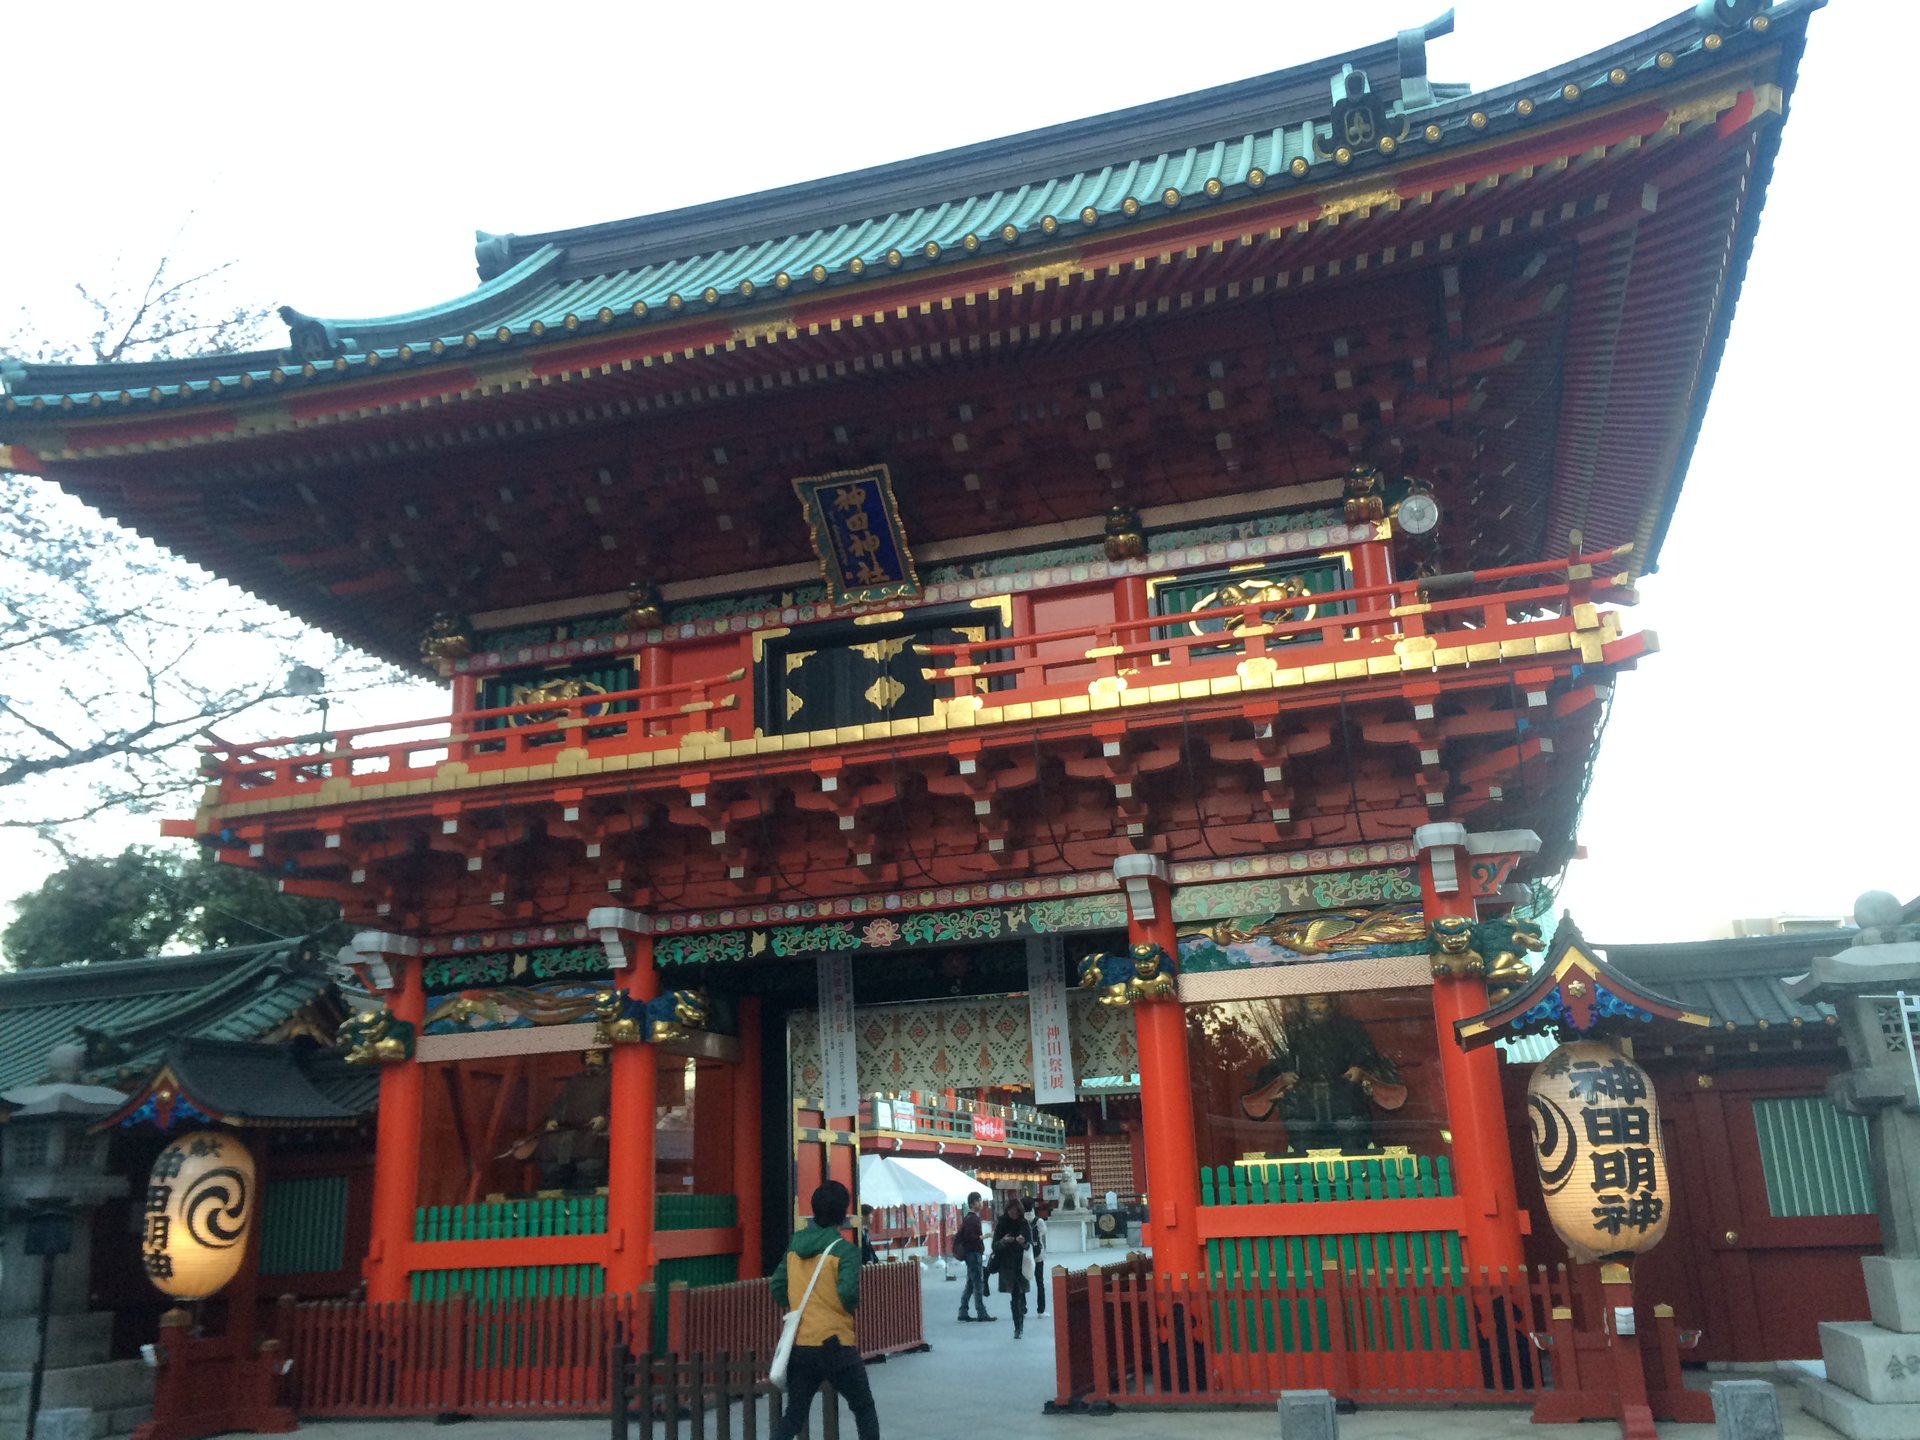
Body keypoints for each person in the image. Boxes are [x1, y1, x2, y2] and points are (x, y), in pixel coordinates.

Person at [768, 1181, 880, 1440]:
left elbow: (776, 1285)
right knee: (863, 1409)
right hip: (836, 1343)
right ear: (842, 1214)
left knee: (794, 1415)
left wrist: (795, 1302)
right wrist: (846, 1307)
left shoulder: (795, 1247)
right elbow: (848, 1294)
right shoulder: (845, 1252)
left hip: (802, 1345)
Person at [991, 1196, 1034, 1338]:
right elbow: (994, 1245)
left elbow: (1031, 1244)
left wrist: (1023, 1243)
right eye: (1010, 1212)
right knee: (1015, 1294)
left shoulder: (1024, 1223)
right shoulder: (1002, 1223)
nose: (1013, 1214)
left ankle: (1020, 1320)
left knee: (1020, 1294)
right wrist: (1003, 1241)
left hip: (1022, 1264)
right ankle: (1018, 1327)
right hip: (1007, 1265)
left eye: (1015, 1212)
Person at [954, 1192, 994, 1322]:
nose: (980, 1203)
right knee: (978, 1283)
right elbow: (970, 1238)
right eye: (978, 1201)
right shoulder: (972, 1219)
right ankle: (980, 1311)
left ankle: (963, 1310)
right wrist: (984, 1236)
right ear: (972, 1204)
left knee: (971, 1284)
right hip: (973, 1254)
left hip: (971, 1254)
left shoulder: (969, 1218)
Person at [1031, 1204, 1049, 1316]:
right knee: (1039, 1282)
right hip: (1037, 1254)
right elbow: (1043, 1233)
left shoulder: (1020, 1220)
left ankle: (1022, 1308)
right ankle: (1040, 1310)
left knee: (1022, 1282)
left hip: (1024, 1255)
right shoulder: (1038, 1221)